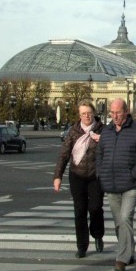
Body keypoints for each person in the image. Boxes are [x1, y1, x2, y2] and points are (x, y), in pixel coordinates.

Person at [95, 98, 136, 271]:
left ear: (126, 112)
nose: (114, 116)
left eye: (118, 112)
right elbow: (99, 153)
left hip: (131, 184)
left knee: (125, 217)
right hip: (111, 184)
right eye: (112, 113)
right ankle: (129, 251)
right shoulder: (106, 131)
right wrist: (101, 172)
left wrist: (134, 174)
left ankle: (121, 259)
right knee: (119, 222)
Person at [53, 100, 105, 258]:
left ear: (94, 113)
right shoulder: (74, 131)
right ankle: (82, 246)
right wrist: (57, 176)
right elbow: (64, 154)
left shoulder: (103, 130)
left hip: (96, 176)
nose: (87, 116)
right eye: (83, 113)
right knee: (80, 211)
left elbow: (110, 149)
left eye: (89, 112)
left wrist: (102, 139)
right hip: (77, 176)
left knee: (95, 208)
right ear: (79, 115)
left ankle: (97, 234)